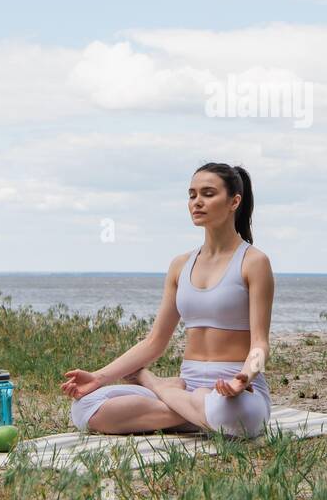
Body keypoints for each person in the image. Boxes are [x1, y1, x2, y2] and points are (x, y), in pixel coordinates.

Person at [60, 162, 274, 439]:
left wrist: (244, 377)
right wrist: (98, 377)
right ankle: (195, 412)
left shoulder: (254, 262)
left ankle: (159, 387)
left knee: (230, 413)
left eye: (208, 194)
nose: (197, 202)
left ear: (234, 201)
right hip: (190, 385)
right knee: (85, 407)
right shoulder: (180, 265)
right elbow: (154, 342)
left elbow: (260, 344)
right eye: (192, 195)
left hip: (234, 389)